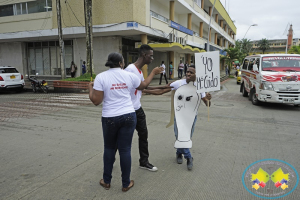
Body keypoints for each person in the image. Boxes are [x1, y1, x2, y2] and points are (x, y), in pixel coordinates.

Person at [89, 52, 162, 192]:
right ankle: (126, 183)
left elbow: (96, 101)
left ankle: (106, 181)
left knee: (109, 148)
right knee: (125, 150)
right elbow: (144, 85)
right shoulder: (129, 76)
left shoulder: (101, 77)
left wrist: (89, 88)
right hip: (129, 115)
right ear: (121, 63)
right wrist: (153, 73)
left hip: (109, 117)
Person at [143, 64, 211, 170]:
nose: (188, 73)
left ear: (197, 74)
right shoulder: (179, 83)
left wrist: (208, 99)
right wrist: (144, 90)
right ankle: (189, 158)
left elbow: (207, 105)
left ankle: (179, 153)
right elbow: (162, 89)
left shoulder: (200, 87)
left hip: (191, 117)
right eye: (187, 71)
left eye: (191, 72)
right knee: (180, 137)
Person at [124, 44, 163, 172]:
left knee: (143, 135)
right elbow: (142, 86)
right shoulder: (130, 69)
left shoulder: (139, 72)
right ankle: (111, 159)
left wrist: (166, 87)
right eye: (151, 56)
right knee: (123, 138)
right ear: (144, 55)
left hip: (138, 108)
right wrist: (153, 73)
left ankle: (144, 161)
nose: (152, 59)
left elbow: (144, 87)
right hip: (128, 110)